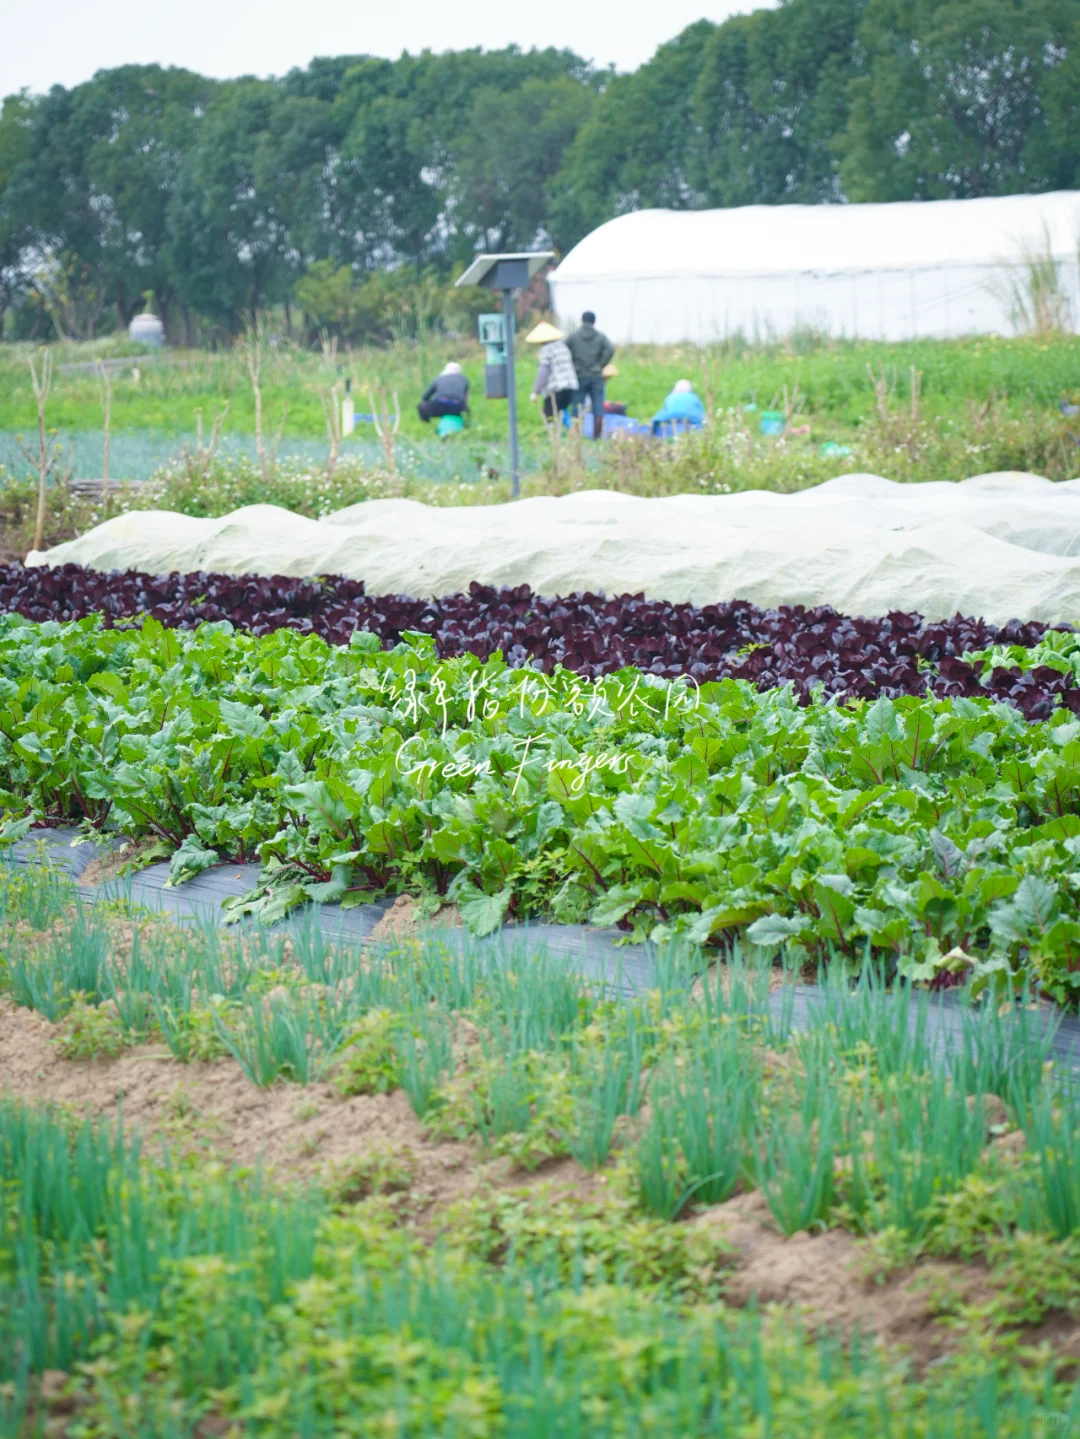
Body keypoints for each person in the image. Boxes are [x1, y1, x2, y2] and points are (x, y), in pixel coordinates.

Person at [566, 311, 615, 439]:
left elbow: (564, 349)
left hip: (579, 375)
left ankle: (576, 436)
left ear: (582, 320)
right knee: (598, 406)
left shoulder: (574, 336)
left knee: (577, 406)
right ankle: (596, 437)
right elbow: (610, 349)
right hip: (596, 376)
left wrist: (572, 364)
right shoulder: (600, 336)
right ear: (594, 321)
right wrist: (601, 364)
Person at [525, 321, 578, 421]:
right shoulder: (563, 346)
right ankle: (572, 429)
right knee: (562, 411)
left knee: (549, 415)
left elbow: (543, 372)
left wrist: (535, 392)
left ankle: (554, 430)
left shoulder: (545, 350)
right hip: (571, 386)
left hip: (556, 388)